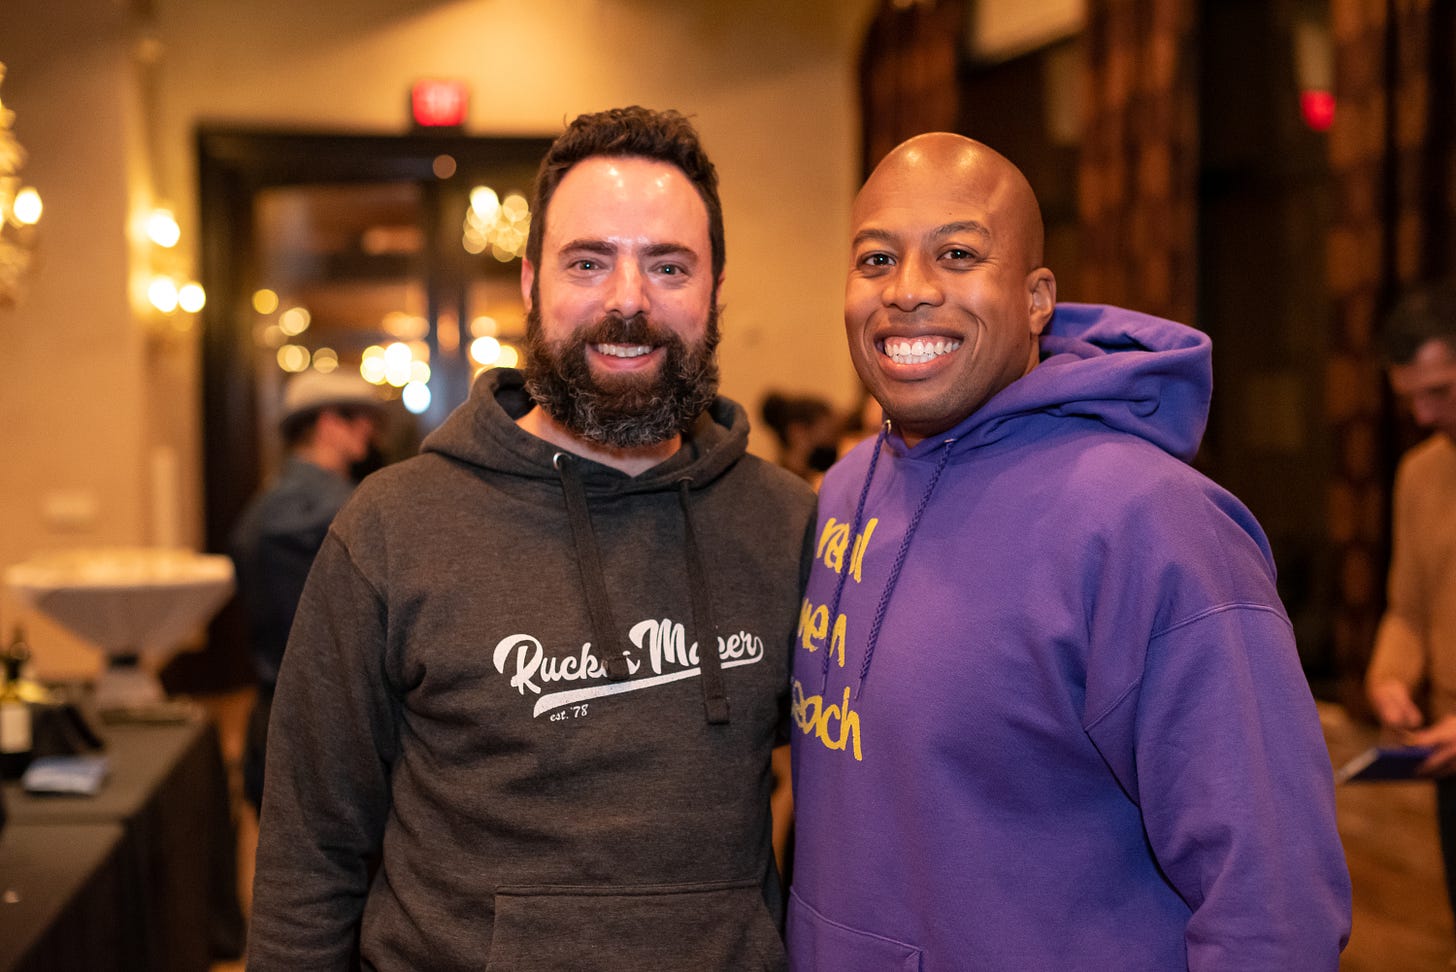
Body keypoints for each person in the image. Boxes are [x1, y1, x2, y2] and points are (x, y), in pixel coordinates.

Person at [247, 106, 816, 971]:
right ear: (528, 283)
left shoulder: (788, 527)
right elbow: (309, 859)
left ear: (715, 289)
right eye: (588, 261)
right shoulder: (393, 528)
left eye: (669, 265)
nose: (628, 300)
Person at [787, 133, 1351, 970]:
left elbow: (1274, 899)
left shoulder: (1156, 525)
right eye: (876, 259)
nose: (907, 289)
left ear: (1036, 298)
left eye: (957, 253)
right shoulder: (844, 491)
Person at [230, 369, 384, 812]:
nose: (369, 429)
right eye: (357, 417)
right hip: (326, 729)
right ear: (328, 422)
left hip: (274, 713)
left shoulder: (267, 503)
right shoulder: (340, 508)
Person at [1363, 277, 1456, 929]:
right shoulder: (1421, 473)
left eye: (1441, 392)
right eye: (1411, 399)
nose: (1423, 415)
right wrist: (1390, 678)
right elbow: (1409, 610)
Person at [760, 391, 840, 484]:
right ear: (797, 433)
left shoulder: (802, 483)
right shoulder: (781, 486)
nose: (833, 445)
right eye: (830, 435)